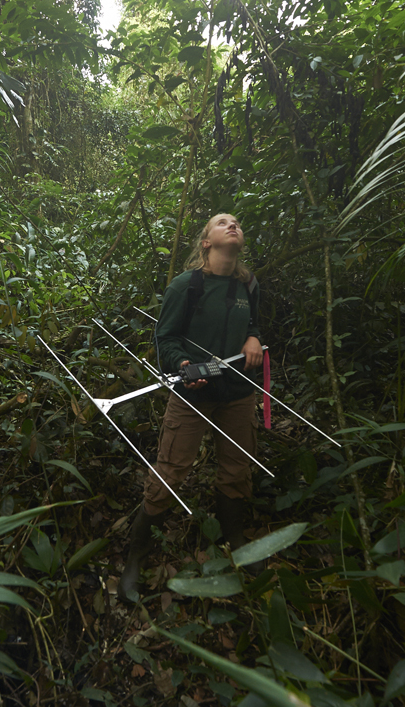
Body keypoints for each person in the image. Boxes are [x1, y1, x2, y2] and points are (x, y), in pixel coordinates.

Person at [120, 213, 264, 603]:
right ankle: (136, 556)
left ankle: (234, 540)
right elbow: (165, 338)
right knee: (171, 470)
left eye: (236, 222)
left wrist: (253, 337)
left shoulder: (247, 284)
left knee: (236, 469)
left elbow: (254, 323)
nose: (233, 225)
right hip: (193, 395)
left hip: (237, 392)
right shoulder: (187, 286)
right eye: (222, 222)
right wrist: (183, 367)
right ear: (206, 242)